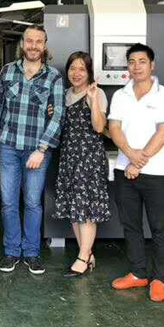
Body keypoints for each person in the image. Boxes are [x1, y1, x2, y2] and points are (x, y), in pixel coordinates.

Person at [0, 25, 64, 274]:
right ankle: (11, 251)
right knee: (8, 202)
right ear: (22, 44)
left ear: (45, 45)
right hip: (8, 145)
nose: (33, 46)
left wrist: (42, 149)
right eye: (29, 41)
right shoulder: (8, 71)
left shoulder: (53, 77)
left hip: (37, 150)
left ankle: (31, 252)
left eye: (39, 41)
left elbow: (58, 115)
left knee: (32, 202)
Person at [108, 43, 164, 302]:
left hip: (154, 172)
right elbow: (114, 128)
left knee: (159, 227)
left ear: (152, 65)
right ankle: (138, 273)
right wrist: (129, 154)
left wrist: (137, 163)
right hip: (123, 171)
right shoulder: (120, 95)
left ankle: (160, 278)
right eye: (132, 62)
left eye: (142, 61)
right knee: (131, 225)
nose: (136, 66)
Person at [53, 51, 110, 277]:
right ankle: (87, 253)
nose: (76, 73)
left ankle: (83, 258)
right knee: (74, 209)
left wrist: (93, 100)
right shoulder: (65, 94)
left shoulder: (97, 93)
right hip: (69, 157)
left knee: (85, 210)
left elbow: (99, 127)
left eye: (81, 69)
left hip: (89, 159)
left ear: (89, 73)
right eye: (72, 68)